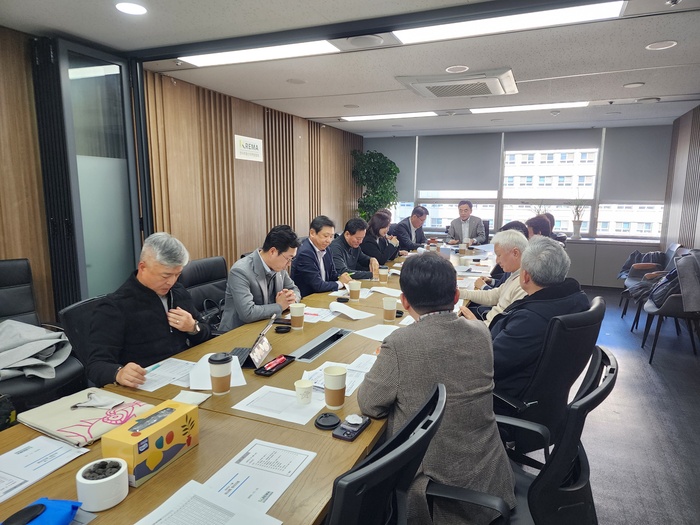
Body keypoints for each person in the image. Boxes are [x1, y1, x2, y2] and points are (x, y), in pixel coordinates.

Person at [358, 252, 515, 524]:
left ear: (404, 301)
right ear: (456, 296)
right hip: (491, 474)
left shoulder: (400, 344)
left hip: (441, 494)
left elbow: (369, 404)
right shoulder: (481, 332)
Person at [87, 233, 211, 387]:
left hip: (184, 374)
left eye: (177, 275)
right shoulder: (114, 307)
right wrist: (118, 373)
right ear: (143, 267)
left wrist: (193, 328)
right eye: (165, 275)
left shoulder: (178, 292)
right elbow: (95, 365)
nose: (171, 282)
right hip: (144, 385)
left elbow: (206, 332)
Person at [490, 236, 590, 399]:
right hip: (546, 394)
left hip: (507, 396)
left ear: (525, 276)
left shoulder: (530, 320)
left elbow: (488, 364)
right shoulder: (576, 300)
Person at [219, 225, 301, 332]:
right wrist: (280, 306)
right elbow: (248, 313)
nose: (289, 264)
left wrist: (291, 300)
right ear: (273, 252)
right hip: (238, 333)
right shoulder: (240, 271)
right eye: (288, 258)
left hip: (267, 326)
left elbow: (294, 289)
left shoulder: (279, 267)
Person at [458, 230, 528, 326]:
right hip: (485, 326)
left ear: (515, 253)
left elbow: (504, 327)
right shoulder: (515, 276)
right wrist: (461, 293)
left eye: (499, 255)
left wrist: (476, 325)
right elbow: (492, 296)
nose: (497, 261)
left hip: (486, 331)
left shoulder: (524, 284)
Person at [290, 216, 352, 298]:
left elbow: (333, 275)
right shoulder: (305, 253)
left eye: (331, 237)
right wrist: (340, 283)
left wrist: (344, 278)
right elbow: (317, 285)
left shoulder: (327, 249)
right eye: (325, 236)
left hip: (323, 296)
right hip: (308, 299)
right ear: (312, 233)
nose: (329, 241)